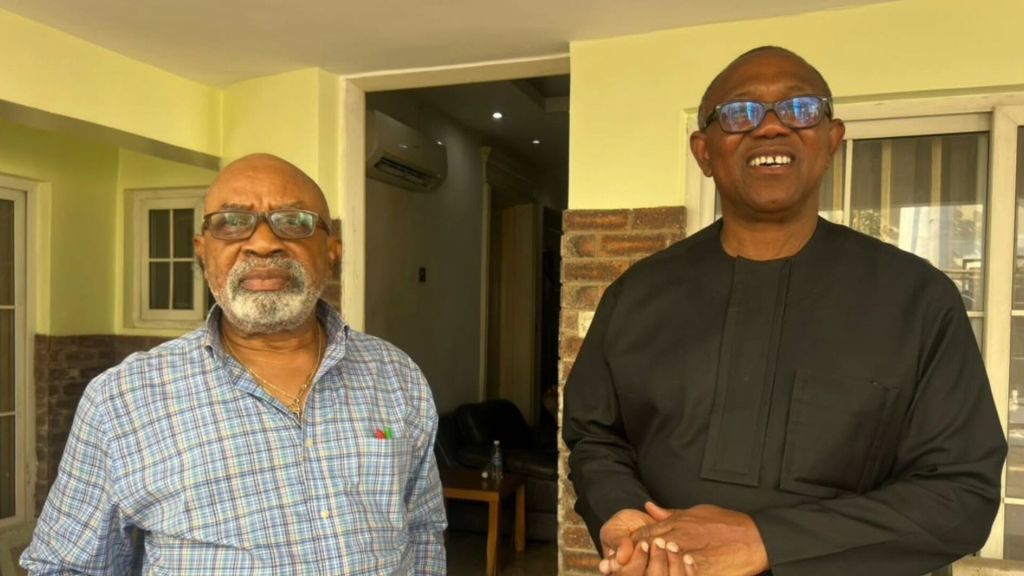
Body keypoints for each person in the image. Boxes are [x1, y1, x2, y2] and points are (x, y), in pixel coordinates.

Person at [562, 46, 1007, 576]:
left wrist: (765, 541)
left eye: (799, 109)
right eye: (740, 113)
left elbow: (960, 495)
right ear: (704, 153)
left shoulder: (917, 298)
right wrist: (621, 514)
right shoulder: (636, 294)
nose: (771, 127)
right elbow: (595, 435)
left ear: (831, 141)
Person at [21, 154, 447, 574]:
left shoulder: (396, 374)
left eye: (293, 220)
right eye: (231, 222)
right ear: (202, 251)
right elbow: (65, 566)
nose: (263, 243)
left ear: (331, 250)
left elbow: (423, 527)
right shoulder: (122, 399)